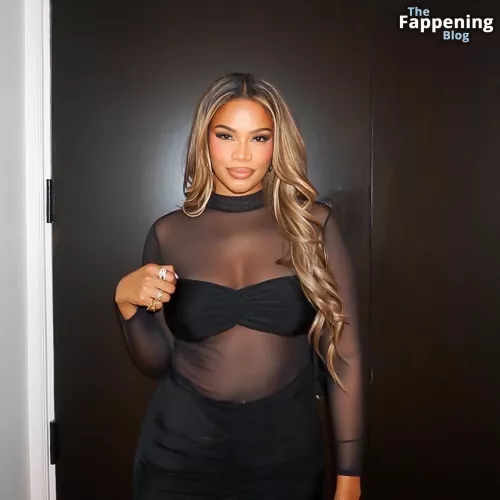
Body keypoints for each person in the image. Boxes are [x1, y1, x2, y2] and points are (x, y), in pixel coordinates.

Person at [115, 72, 364, 500]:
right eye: (226, 135)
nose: (242, 154)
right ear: (204, 140)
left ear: (277, 144)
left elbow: (346, 354)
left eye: (259, 138)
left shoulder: (313, 226)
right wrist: (127, 306)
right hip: (178, 454)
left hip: (284, 457)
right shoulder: (168, 233)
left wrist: (350, 472)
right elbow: (157, 361)